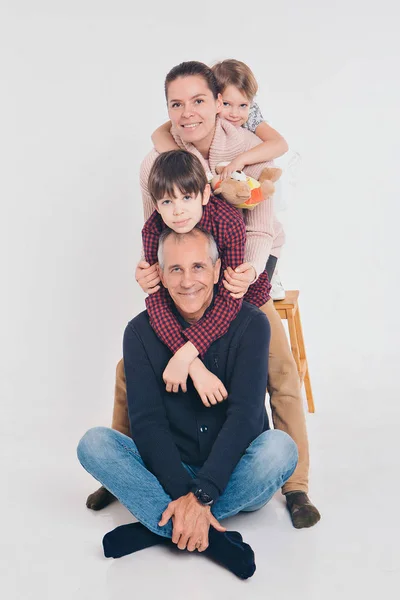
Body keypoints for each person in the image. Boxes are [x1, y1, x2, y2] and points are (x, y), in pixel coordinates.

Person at [87, 61, 320, 529]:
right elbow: (154, 227)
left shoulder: (249, 150)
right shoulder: (160, 158)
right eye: (177, 104)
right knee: (129, 367)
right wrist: (150, 269)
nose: (188, 113)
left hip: (241, 276)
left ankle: (295, 486)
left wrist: (243, 272)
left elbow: (259, 226)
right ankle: (123, 470)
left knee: (278, 371)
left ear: (219, 103)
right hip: (188, 278)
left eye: (198, 101)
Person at [77, 227, 298, 579]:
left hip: (235, 472)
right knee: (93, 444)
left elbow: (245, 417)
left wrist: (202, 495)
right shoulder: (139, 332)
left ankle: (161, 524)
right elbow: (147, 424)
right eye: (175, 269)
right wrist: (185, 493)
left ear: (216, 269)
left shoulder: (252, 324)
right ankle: (207, 535)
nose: (187, 280)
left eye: (198, 267)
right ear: (160, 275)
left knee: (281, 449)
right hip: (169, 470)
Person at [151, 58, 288, 299]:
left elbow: (279, 144)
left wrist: (240, 161)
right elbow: (153, 230)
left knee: (252, 305)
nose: (235, 114)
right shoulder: (172, 143)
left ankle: (268, 279)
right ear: (219, 100)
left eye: (242, 105)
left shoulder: (252, 131)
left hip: (254, 245)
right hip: (209, 254)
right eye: (228, 104)